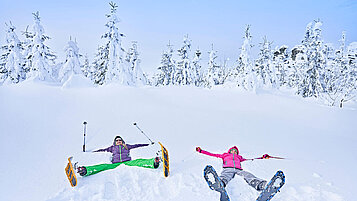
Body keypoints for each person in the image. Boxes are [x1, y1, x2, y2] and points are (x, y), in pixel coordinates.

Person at [77, 136, 160, 176]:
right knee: (103, 166)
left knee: (138, 161)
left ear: (122, 141)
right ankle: (85, 170)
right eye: (117, 140)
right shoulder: (112, 148)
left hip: (127, 162)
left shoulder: (126, 146)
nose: (119, 141)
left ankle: (153, 162)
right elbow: (102, 150)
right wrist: (90, 152)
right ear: (115, 142)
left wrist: (148, 144)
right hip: (115, 164)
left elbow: (137, 145)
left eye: (120, 140)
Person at [196, 146, 267, 191]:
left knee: (247, 174)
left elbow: (251, 159)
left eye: (235, 151)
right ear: (230, 151)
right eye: (233, 150)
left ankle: (259, 184)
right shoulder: (225, 155)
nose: (234, 152)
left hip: (238, 169)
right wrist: (201, 151)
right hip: (228, 168)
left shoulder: (239, 157)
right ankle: (220, 183)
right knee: (226, 176)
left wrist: (262, 157)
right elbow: (213, 154)